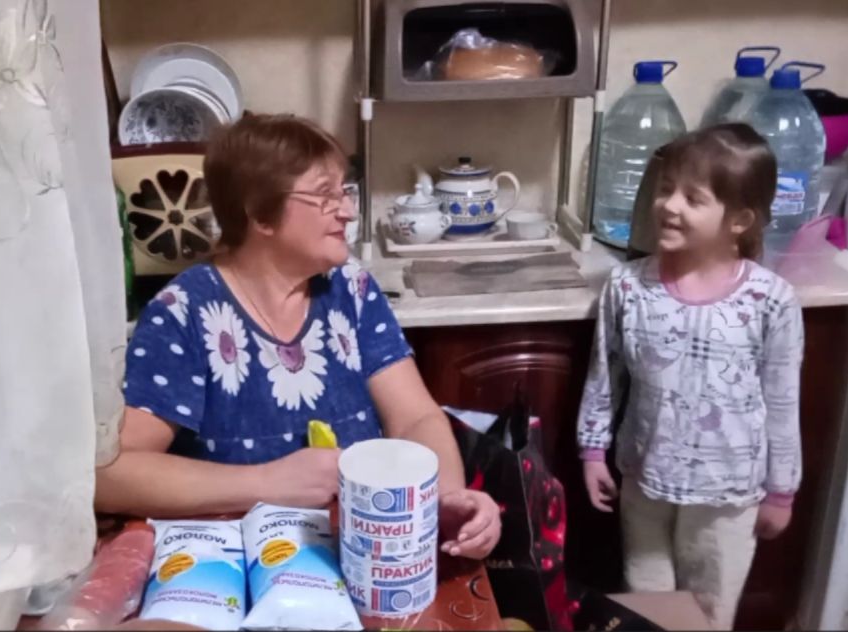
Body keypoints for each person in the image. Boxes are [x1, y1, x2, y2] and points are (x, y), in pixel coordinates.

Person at [96, 113, 501, 560]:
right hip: (235, 567)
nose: (347, 210)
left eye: (344, 191)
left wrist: (444, 499)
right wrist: (265, 483)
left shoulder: (352, 291)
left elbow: (415, 419)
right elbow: (112, 475)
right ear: (260, 214)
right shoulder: (184, 312)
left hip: (362, 553)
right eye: (325, 196)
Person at [576, 123, 804, 629]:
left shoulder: (771, 301)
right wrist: (592, 450)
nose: (669, 205)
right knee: (646, 606)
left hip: (727, 495)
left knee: (709, 613)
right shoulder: (628, 287)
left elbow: (782, 401)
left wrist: (781, 491)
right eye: (666, 189)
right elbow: (604, 375)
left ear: (739, 220)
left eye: (693, 198)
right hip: (644, 482)